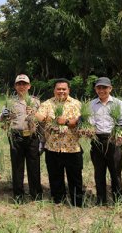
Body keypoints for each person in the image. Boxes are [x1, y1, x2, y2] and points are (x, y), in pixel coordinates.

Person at [34, 78, 83, 207]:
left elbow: (79, 121)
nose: (61, 91)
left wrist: (66, 121)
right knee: (55, 177)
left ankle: (77, 202)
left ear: (68, 90)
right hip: (52, 148)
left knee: (75, 177)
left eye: (64, 89)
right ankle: (58, 201)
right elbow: (40, 117)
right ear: (54, 90)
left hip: (72, 148)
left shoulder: (76, 104)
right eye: (58, 89)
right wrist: (37, 114)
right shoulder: (47, 104)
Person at [0, 74, 42, 201]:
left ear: (29, 86)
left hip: (32, 136)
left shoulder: (36, 101)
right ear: (15, 86)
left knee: (34, 166)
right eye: (19, 84)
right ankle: (18, 195)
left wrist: (34, 113)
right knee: (17, 166)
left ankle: (36, 194)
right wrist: (4, 115)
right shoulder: (10, 101)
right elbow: (2, 119)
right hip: (16, 136)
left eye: (24, 84)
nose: (22, 86)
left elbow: (42, 119)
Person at [89, 77, 122, 205]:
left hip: (113, 140)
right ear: (95, 89)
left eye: (104, 88)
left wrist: (119, 129)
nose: (101, 90)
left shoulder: (118, 103)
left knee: (115, 171)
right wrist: (88, 129)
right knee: (99, 172)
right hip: (97, 140)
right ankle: (101, 200)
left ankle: (118, 199)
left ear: (110, 88)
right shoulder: (91, 104)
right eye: (99, 87)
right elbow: (89, 122)